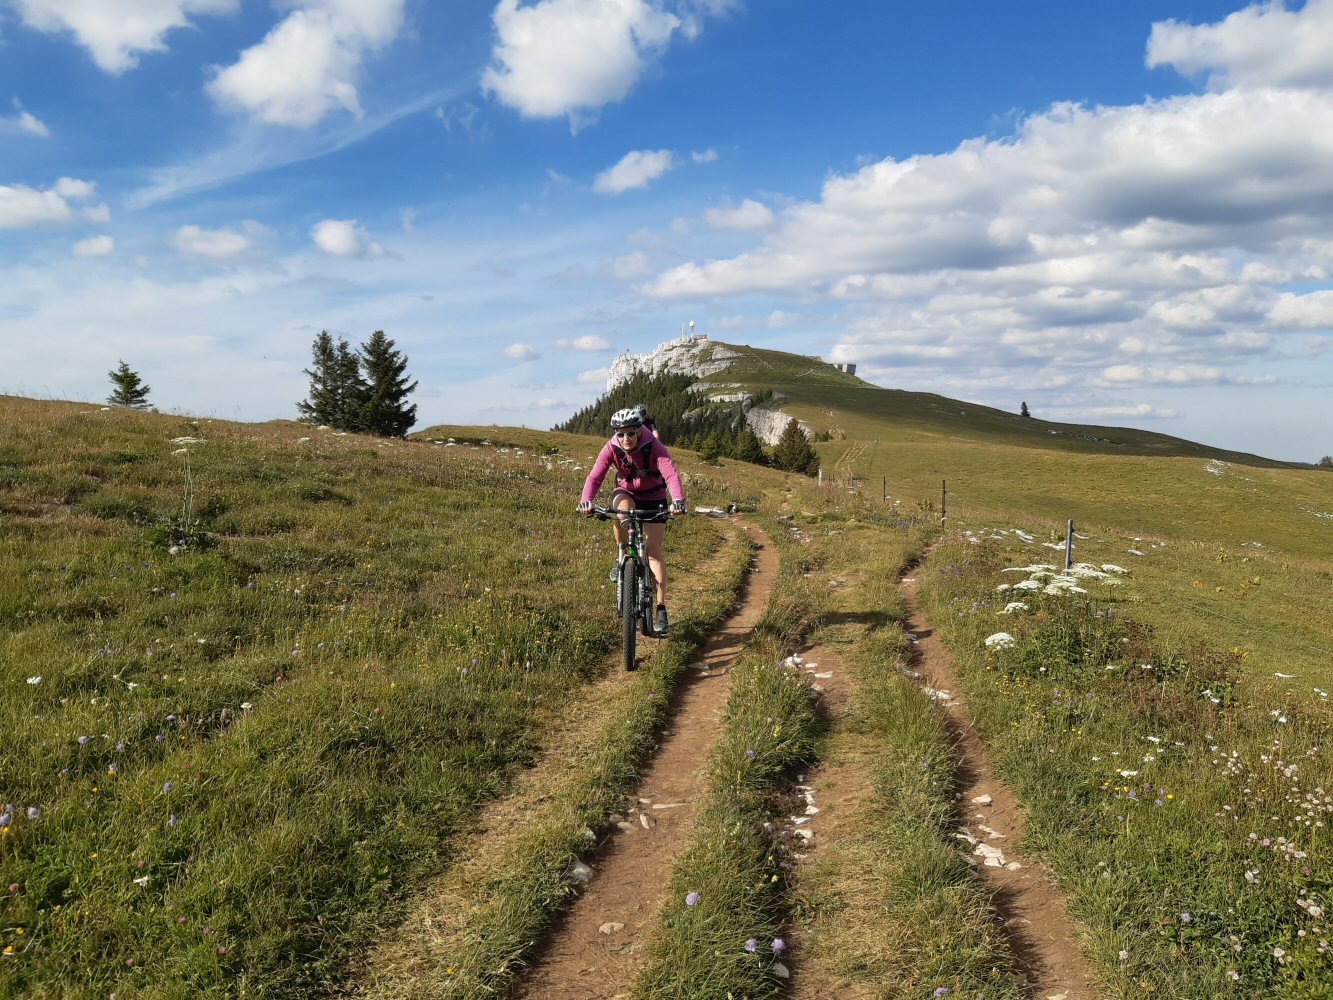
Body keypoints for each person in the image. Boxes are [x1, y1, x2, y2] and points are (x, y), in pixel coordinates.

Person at [578, 407, 686, 634]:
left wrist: (677, 501)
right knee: (621, 514)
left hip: (655, 496)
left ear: (639, 430)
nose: (625, 438)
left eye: (630, 433)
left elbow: (671, 474)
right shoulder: (611, 447)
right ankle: (621, 556)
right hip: (626, 492)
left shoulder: (654, 446)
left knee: (654, 551)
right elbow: (595, 476)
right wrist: (586, 500)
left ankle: (660, 608)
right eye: (620, 433)